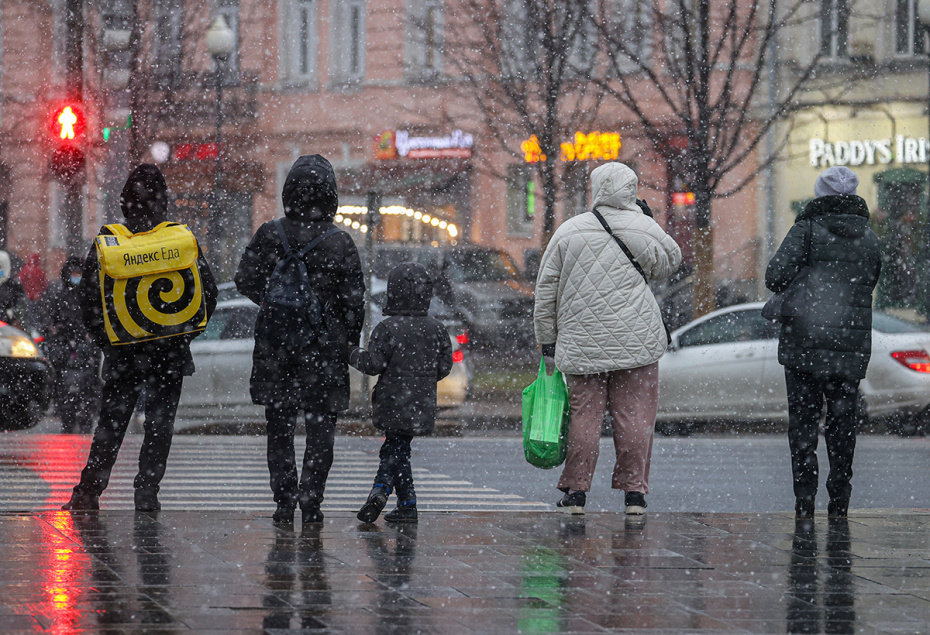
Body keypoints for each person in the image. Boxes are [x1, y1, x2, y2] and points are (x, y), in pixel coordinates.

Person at [62, 164, 217, 512]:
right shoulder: (180, 240)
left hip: (124, 353)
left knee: (111, 425)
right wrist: (181, 337)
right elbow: (207, 294)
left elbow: (89, 300)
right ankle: (147, 493)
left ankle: (89, 491)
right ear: (164, 201)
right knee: (160, 426)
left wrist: (108, 341)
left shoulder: (110, 242)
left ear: (124, 201)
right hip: (170, 353)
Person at [534, 162, 681, 516]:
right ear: (632, 190)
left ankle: (576, 492)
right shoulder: (643, 227)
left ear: (596, 188)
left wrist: (547, 340)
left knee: (584, 418)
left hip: (581, 342)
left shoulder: (569, 231)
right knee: (635, 419)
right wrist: (647, 220)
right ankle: (634, 495)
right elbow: (670, 262)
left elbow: (546, 291)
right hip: (637, 342)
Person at [235, 154, 365, 525]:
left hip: (276, 348)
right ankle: (311, 502)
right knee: (321, 431)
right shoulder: (340, 242)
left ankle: (283, 501)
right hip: (323, 353)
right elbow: (354, 303)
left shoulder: (269, 233)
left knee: (279, 429)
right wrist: (344, 340)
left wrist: (275, 303)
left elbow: (244, 279)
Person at [765, 166, 881, 519]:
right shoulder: (869, 238)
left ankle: (805, 503)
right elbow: (869, 281)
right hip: (849, 345)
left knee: (803, 426)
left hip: (805, 343)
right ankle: (839, 502)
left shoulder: (807, 230)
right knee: (843, 426)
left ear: (820, 196)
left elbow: (775, 277)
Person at [351, 263, 453, 524]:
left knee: (395, 449)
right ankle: (406, 504)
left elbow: (373, 365)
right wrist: (421, 380)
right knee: (398, 449)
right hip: (421, 402)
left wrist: (351, 353)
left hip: (392, 400)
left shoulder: (387, 328)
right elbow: (444, 367)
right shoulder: (437, 329)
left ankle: (382, 489)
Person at [41, 256, 101, 433]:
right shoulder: (60, 297)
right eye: (73, 273)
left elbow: (99, 320)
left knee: (89, 385)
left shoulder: (91, 297)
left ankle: (85, 419)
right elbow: (49, 321)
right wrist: (55, 333)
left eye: (79, 273)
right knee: (62, 385)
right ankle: (67, 418)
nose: (76, 277)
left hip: (85, 347)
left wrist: (90, 336)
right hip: (65, 347)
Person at [0, 250, 28, 329]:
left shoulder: (13, 286)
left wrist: (15, 318)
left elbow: (21, 308)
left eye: (0, 267)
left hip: (8, 329)